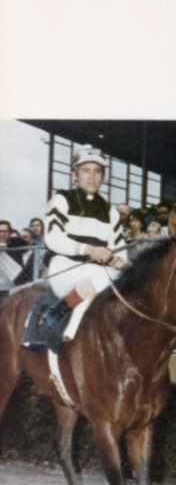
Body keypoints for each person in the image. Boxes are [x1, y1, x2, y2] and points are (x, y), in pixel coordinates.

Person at [23, 147, 129, 349]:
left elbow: (119, 246)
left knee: (119, 276)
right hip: (64, 267)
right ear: (74, 174)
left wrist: (119, 259)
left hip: (96, 271)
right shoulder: (61, 200)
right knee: (107, 276)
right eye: (86, 170)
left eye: (97, 171)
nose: (92, 176)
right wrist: (87, 249)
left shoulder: (110, 211)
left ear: (103, 177)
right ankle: (55, 314)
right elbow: (53, 238)